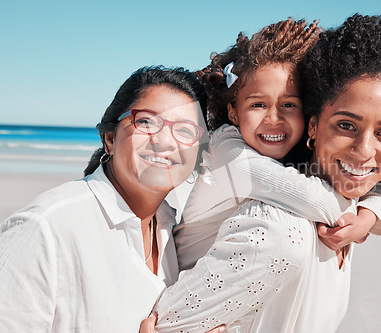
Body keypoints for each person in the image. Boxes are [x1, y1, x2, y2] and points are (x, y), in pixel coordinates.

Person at [149, 14, 381, 332]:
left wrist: (371, 210)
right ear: (314, 124)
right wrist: (353, 214)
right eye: (345, 125)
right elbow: (310, 197)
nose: (364, 149)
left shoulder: (324, 180)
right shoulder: (241, 166)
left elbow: (370, 187)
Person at [0, 66, 222, 332]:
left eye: (186, 131)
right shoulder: (45, 229)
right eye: (146, 121)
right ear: (110, 139)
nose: (165, 141)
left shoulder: (168, 228)